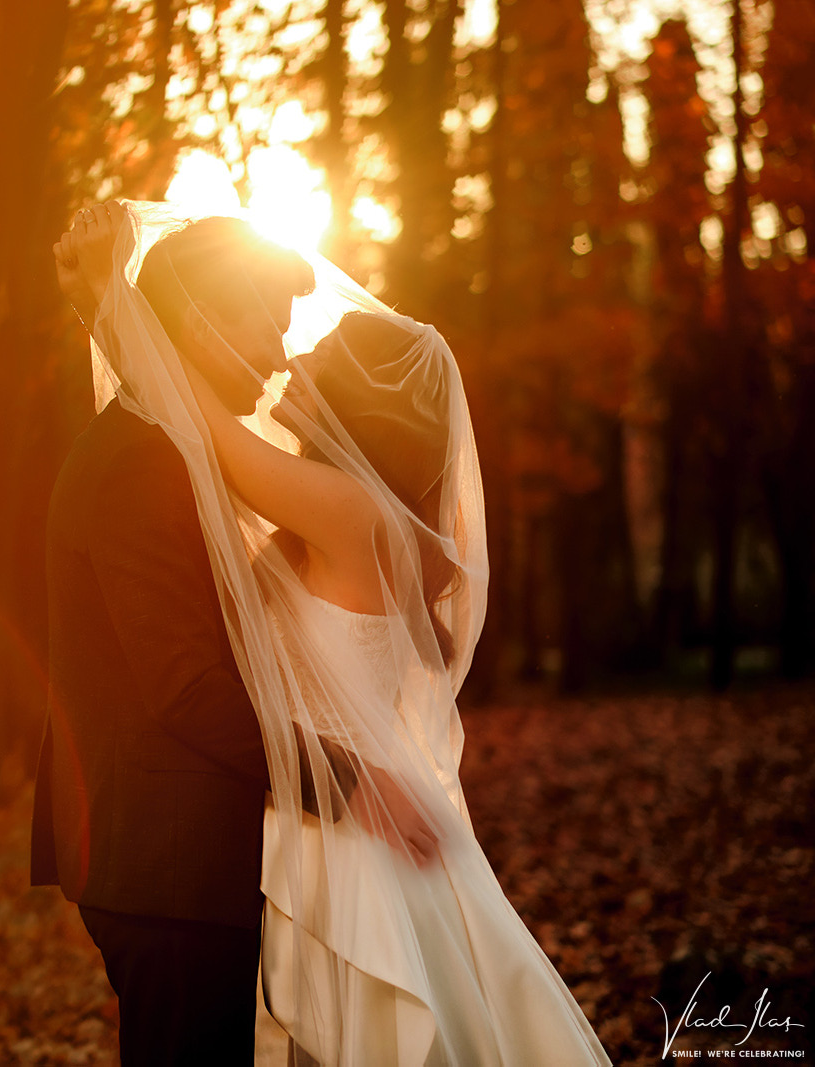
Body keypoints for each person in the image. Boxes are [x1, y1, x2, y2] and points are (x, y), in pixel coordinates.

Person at [40, 200, 614, 1066]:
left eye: (303, 346)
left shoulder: (345, 513)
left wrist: (116, 307)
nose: (284, 358)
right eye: (270, 328)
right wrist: (115, 309)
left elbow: (219, 442)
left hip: (321, 843)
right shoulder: (160, 469)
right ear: (200, 325)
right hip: (227, 848)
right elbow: (188, 679)